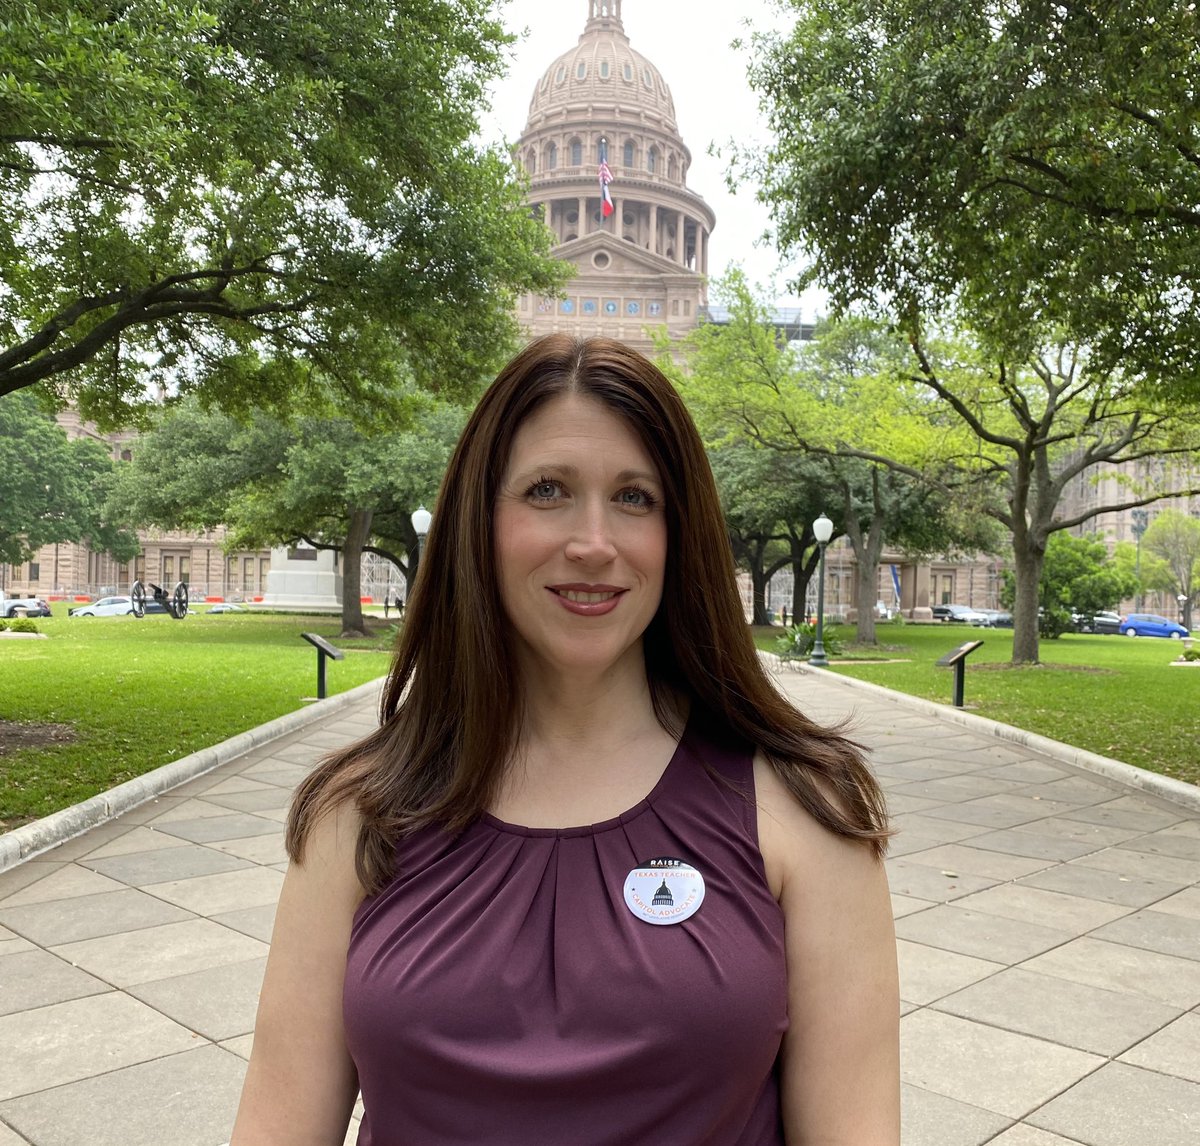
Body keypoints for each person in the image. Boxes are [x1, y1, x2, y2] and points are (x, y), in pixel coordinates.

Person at [230, 335, 899, 1145]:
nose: (592, 542)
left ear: (678, 534)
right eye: (547, 490)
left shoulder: (805, 808)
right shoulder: (359, 813)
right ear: (481, 522)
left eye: (635, 497)